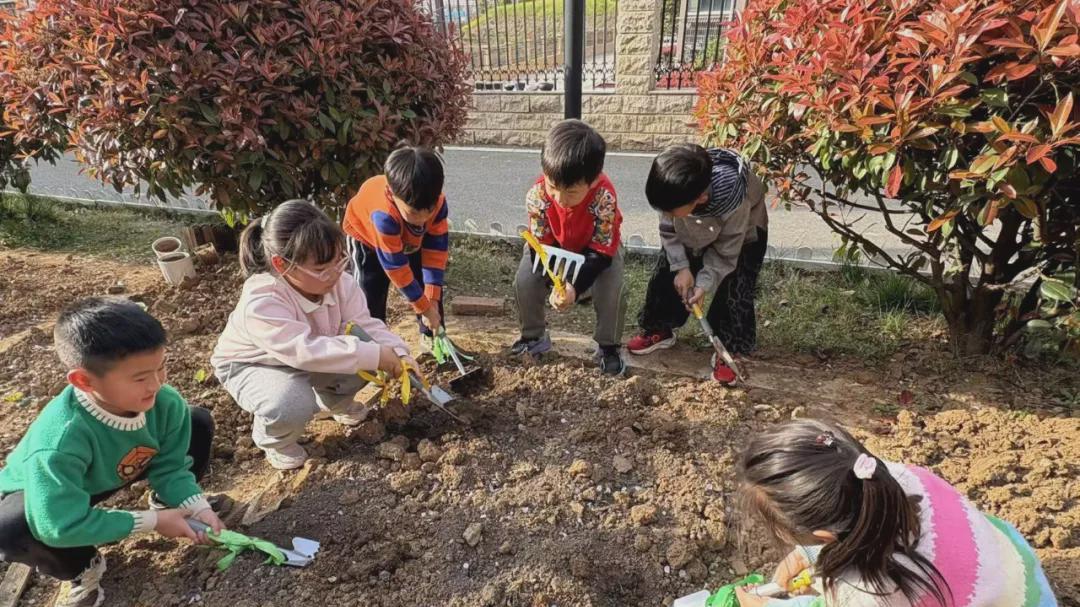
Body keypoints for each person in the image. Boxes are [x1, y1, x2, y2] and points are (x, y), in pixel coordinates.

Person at [0, 297, 223, 607]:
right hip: (55, 494)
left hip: (120, 466)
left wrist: (197, 507)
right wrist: (152, 522)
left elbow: (172, 468)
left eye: (161, 368)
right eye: (141, 378)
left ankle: (169, 504)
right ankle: (82, 564)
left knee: (196, 420)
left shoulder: (163, 402)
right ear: (84, 380)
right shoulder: (59, 442)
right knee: (11, 527)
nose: (157, 384)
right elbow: (57, 524)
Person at [735, 419, 1058, 607]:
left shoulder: (864, 591)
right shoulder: (887, 477)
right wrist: (808, 553)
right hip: (1019, 577)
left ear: (825, 534)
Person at [213, 200, 414, 470]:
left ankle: (333, 404)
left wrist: (398, 352)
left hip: (309, 355)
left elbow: (365, 325)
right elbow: (303, 351)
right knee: (292, 402)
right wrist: (374, 354)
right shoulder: (262, 298)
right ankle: (274, 438)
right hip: (254, 364)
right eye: (321, 269)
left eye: (338, 260)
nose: (334, 273)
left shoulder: (340, 283)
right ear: (281, 263)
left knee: (364, 355)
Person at [627, 144, 768, 384]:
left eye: (670, 210)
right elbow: (668, 229)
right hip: (690, 226)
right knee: (667, 272)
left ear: (700, 197)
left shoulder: (734, 200)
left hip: (742, 237)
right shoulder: (674, 191)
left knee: (735, 287)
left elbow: (725, 253)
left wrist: (703, 283)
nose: (665, 214)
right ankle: (659, 327)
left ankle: (727, 347)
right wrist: (681, 267)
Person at [511, 119, 628, 376]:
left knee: (613, 288)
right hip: (553, 247)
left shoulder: (604, 197)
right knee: (525, 280)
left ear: (594, 180)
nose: (560, 200)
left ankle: (609, 346)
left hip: (595, 250)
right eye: (553, 187)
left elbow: (601, 252)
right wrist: (556, 282)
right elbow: (540, 246)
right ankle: (533, 336)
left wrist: (575, 288)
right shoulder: (538, 194)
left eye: (572, 192)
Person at [342, 145, 449, 346]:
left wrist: (431, 300)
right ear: (393, 194)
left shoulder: (437, 202)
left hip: (411, 240)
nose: (424, 218)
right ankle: (371, 347)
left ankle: (434, 342)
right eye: (415, 213)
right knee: (369, 295)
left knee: (429, 290)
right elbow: (397, 269)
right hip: (367, 241)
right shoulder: (383, 216)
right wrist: (423, 307)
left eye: (429, 210)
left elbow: (435, 252)